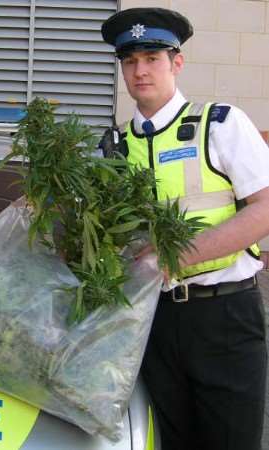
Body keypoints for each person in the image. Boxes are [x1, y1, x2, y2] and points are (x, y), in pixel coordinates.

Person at [100, 7, 269, 450]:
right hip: (151, 320)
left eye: (152, 57)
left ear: (177, 62)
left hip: (223, 317)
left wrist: (176, 253)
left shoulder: (220, 123)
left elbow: (265, 208)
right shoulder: (114, 145)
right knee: (165, 440)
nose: (140, 70)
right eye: (130, 61)